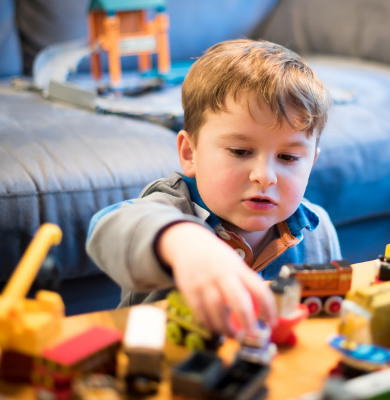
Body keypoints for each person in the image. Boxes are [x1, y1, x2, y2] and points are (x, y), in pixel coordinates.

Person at [86, 39, 341, 336]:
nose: (265, 176)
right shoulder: (171, 206)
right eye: (240, 151)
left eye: (288, 157)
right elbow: (107, 229)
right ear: (190, 153)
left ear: (310, 163)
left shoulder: (317, 230)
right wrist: (182, 242)